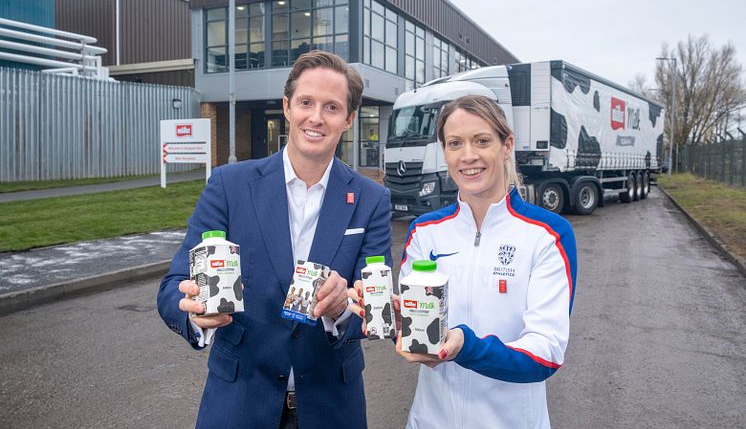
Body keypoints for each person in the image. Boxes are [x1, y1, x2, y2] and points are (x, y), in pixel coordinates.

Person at [157, 50, 393, 429]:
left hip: (332, 408)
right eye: (306, 102)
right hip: (239, 404)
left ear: (348, 119)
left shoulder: (371, 199)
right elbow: (171, 287)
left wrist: (342, 309)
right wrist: (195, 312)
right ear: (287, 107)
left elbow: (376, 310)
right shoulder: (229, 185)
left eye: (331, 107)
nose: (316, 117)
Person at [351, 94, 577, 429]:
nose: (468, 156)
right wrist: (395, 319)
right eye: (455, 143)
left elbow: (545, 351)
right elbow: (422, 332)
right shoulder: (424, 232)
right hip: (429, 421)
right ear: (444, 152)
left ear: (507, 145)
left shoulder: (548, 234)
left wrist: (464, 346)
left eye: (482, 141)